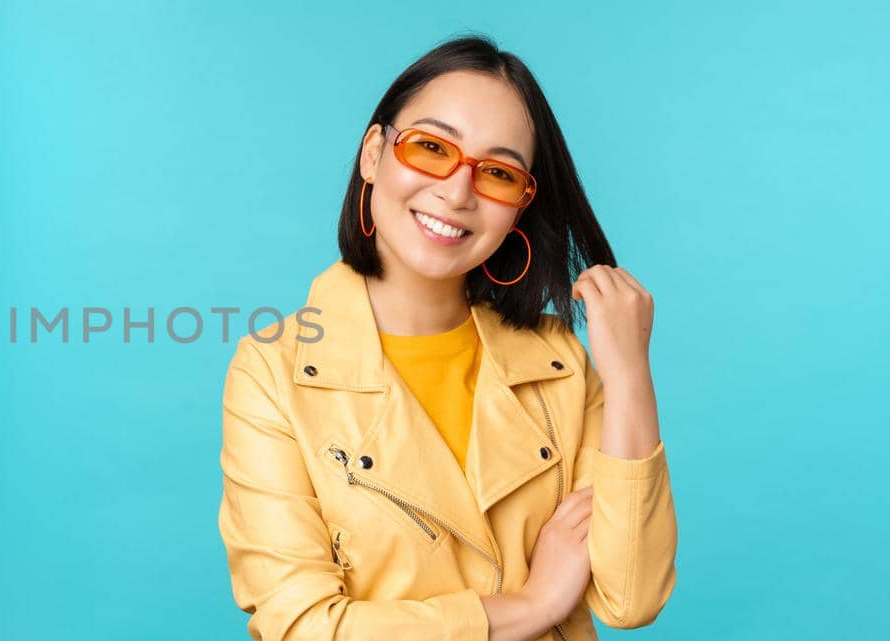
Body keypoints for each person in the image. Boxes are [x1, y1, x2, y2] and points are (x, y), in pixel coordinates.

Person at [216, 35, 677, 641]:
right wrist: (534, 607)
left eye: (498, 173)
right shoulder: (271, 372)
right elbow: (304, 626)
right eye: (431, 147)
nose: (458, 192)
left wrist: (628, 374)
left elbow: (630, 597)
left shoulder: (559, 363)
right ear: (374, 154)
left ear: (520, 203)